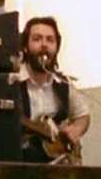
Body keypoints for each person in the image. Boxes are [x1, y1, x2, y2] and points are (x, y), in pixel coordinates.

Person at [13, 16, 91, 163]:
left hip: (57, 165)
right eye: (37, 39)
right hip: (19, 164)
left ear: (56, 48)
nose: (44, 45)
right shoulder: (12, 81)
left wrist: (75, 129)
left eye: (50, 40)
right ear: (25, 46)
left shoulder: (64, 84)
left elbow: (83, 115)